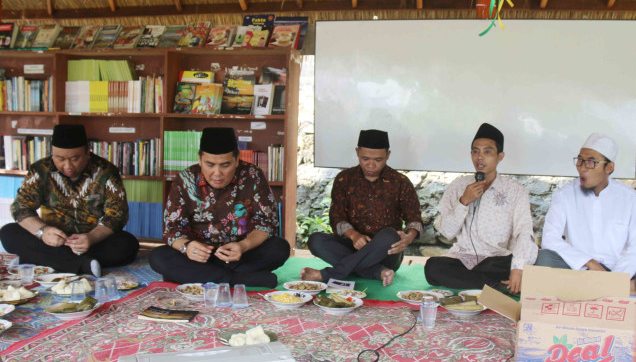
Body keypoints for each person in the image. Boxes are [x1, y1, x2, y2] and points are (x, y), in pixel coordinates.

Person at [149, 127, 289, 287]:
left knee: (279, 247)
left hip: (239, 255)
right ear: (200, 159)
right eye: (209, 165)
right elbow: (172, 228)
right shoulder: (185, 179)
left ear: (237, 160)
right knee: (158, 256)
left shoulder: (253, 175)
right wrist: (187, 247)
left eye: (225, 165)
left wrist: (243, 246)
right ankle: (238, 279)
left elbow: (266, 223)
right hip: (199, 257)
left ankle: (204, 276)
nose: (217, 173)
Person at [0, 124, 138, 277]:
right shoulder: (40, 170)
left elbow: (117, 215)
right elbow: (21, 208)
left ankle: (44, 259)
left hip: (92, 241)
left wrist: (91, 238)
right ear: (52, 154)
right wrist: (42, 231)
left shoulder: (106, 172)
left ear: (87, 153)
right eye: (60, 158)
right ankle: (82, 265)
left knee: (128, 244)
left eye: (74, 158)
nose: (67, 166)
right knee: (8, 232)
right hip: (52, 240)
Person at [424, 123, 537, 294]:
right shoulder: (458, 186)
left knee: (523, 266)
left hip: (497, 260)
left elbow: (524, 231)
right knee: (433, 268)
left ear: (500, 156)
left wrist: (518, 268)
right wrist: (464, 202)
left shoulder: (515, 191)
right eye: (475, 151)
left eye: (487, 152)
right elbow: (447, 232)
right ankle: (495, 286)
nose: (480, 157)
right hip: (463, 259)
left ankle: (486, 283)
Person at [300, 129, 423, 286]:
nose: (371, 165)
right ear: (357, 152)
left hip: (386, 252)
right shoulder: (344, 179)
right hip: (351, 247)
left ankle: (327, 275)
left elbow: (414, 218)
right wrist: (353, 236)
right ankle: (377, 272)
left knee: (390, 236)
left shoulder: (400, 182)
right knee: (316, 240)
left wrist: (408, 237)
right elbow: (336, 217)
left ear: (388, 155)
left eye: (378, 160)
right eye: (365, 158)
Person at [536, 133, 636, 277]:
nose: (582, 168)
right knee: (543, 258)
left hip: (615, 269)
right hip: (577, 266)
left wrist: (615, 278)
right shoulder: (565, 195)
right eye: (580, 160)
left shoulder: (631, 199)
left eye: (591, 162)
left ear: (609, 167)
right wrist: (587, 261)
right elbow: (549, 238)